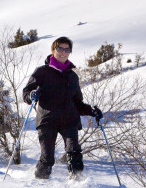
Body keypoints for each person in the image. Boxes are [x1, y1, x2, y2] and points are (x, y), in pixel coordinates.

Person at [22, 36, 102, 179]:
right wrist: (32, 95)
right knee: (48, 158)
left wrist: (92, 111)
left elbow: (77, 102)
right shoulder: (42, 71)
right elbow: (26, 92)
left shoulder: (72, 77)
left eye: (67, 49)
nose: (63, 52)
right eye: (60, 48)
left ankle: (78, 183)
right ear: (53, 50)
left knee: (74, 153)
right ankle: (39, 183)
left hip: (69, 120)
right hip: (47, 119)